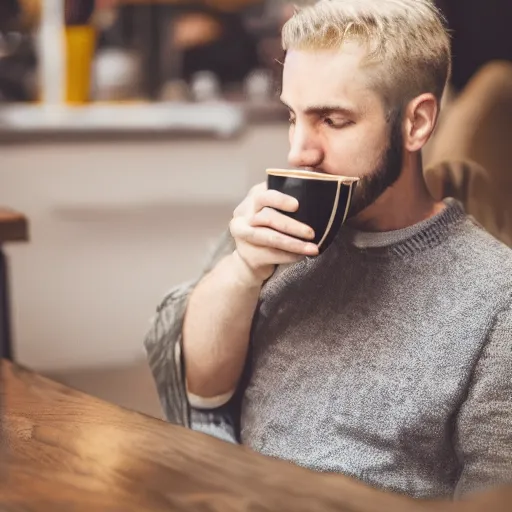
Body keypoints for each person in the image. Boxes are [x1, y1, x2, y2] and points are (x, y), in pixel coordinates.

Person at [144, 0, 512, 501]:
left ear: (416, 123)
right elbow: (202, 396)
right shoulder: (273, 234)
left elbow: (493, 496)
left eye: (332, 120)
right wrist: (243, 271)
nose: (300, 151)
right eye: (293, 116)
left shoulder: (495, 292)